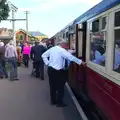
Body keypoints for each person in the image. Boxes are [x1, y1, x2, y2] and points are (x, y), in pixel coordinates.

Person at [41, 41, 86, 107]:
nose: (67, 47)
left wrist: (47, 63)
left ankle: (53, 101)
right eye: (67, 46)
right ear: (64, 45)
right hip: (58, 71)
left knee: (52, 86)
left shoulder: (53, 48)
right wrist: (81, 62)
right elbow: (71, 57)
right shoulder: (62, 50)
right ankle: (59, 102)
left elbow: (43, 55)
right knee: (60, 87)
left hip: (50, 70)